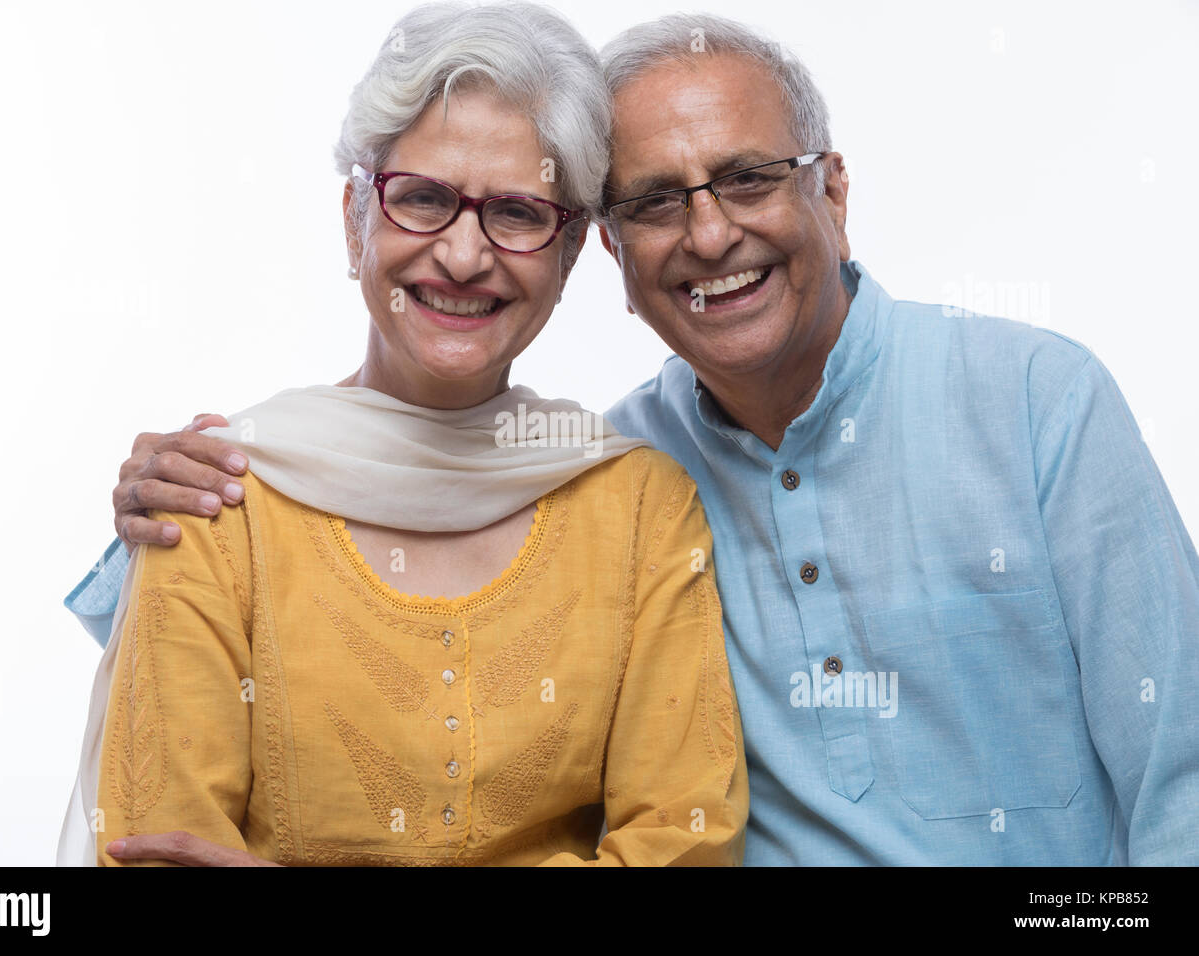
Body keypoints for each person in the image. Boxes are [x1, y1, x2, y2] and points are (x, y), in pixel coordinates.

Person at [69, 11, 1199, 866]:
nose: (710, 233)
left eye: (751, 177)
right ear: (608, 253)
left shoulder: (1027, 401)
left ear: (834, 190)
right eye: (656, 201)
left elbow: (1181, 775)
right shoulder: (232, 495)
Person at [57, 1, 748, 867]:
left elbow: (686, 850)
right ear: (356, 221)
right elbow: (154, 851)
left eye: (518, 213)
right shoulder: (212, 500)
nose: (463, 256)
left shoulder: (644, 512)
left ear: (569, 255)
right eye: (422, 198)